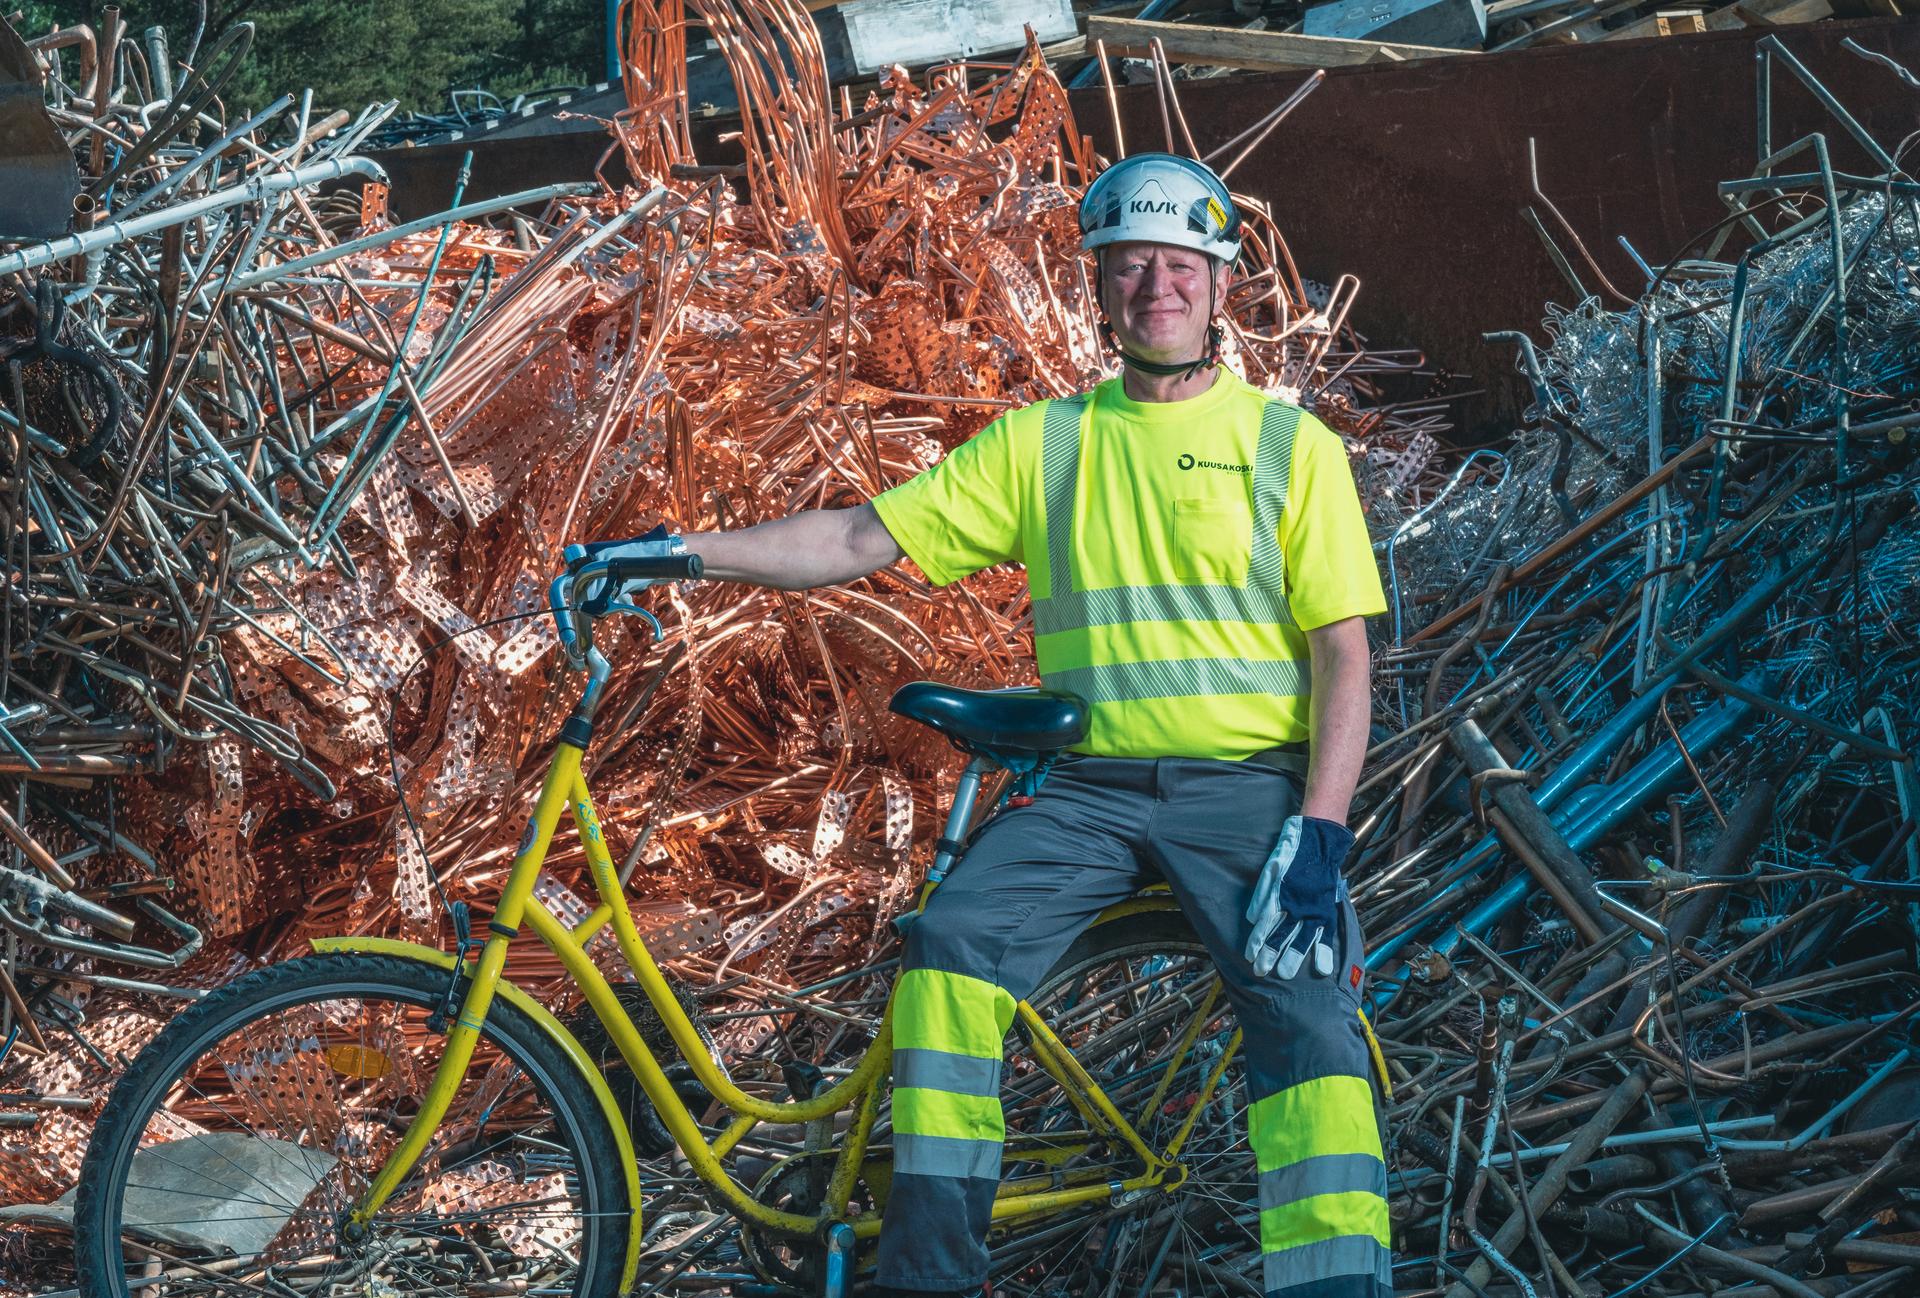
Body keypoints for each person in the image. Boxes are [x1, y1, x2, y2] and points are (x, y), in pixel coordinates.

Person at [597, 153, 1391, 1298]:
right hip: (1086, 792)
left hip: (1247, 789)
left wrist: (1321, 832)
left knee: (1311, 1022)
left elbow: (1343, 657)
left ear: (1222, 284)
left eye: (1180, 263)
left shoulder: (1289, 447)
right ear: (1101, 287)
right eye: (1130, 265)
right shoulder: (1048, 443)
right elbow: (858, 539)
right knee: (947, 949)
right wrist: (684, 550)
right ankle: (930, 1275)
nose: (1156, 285)